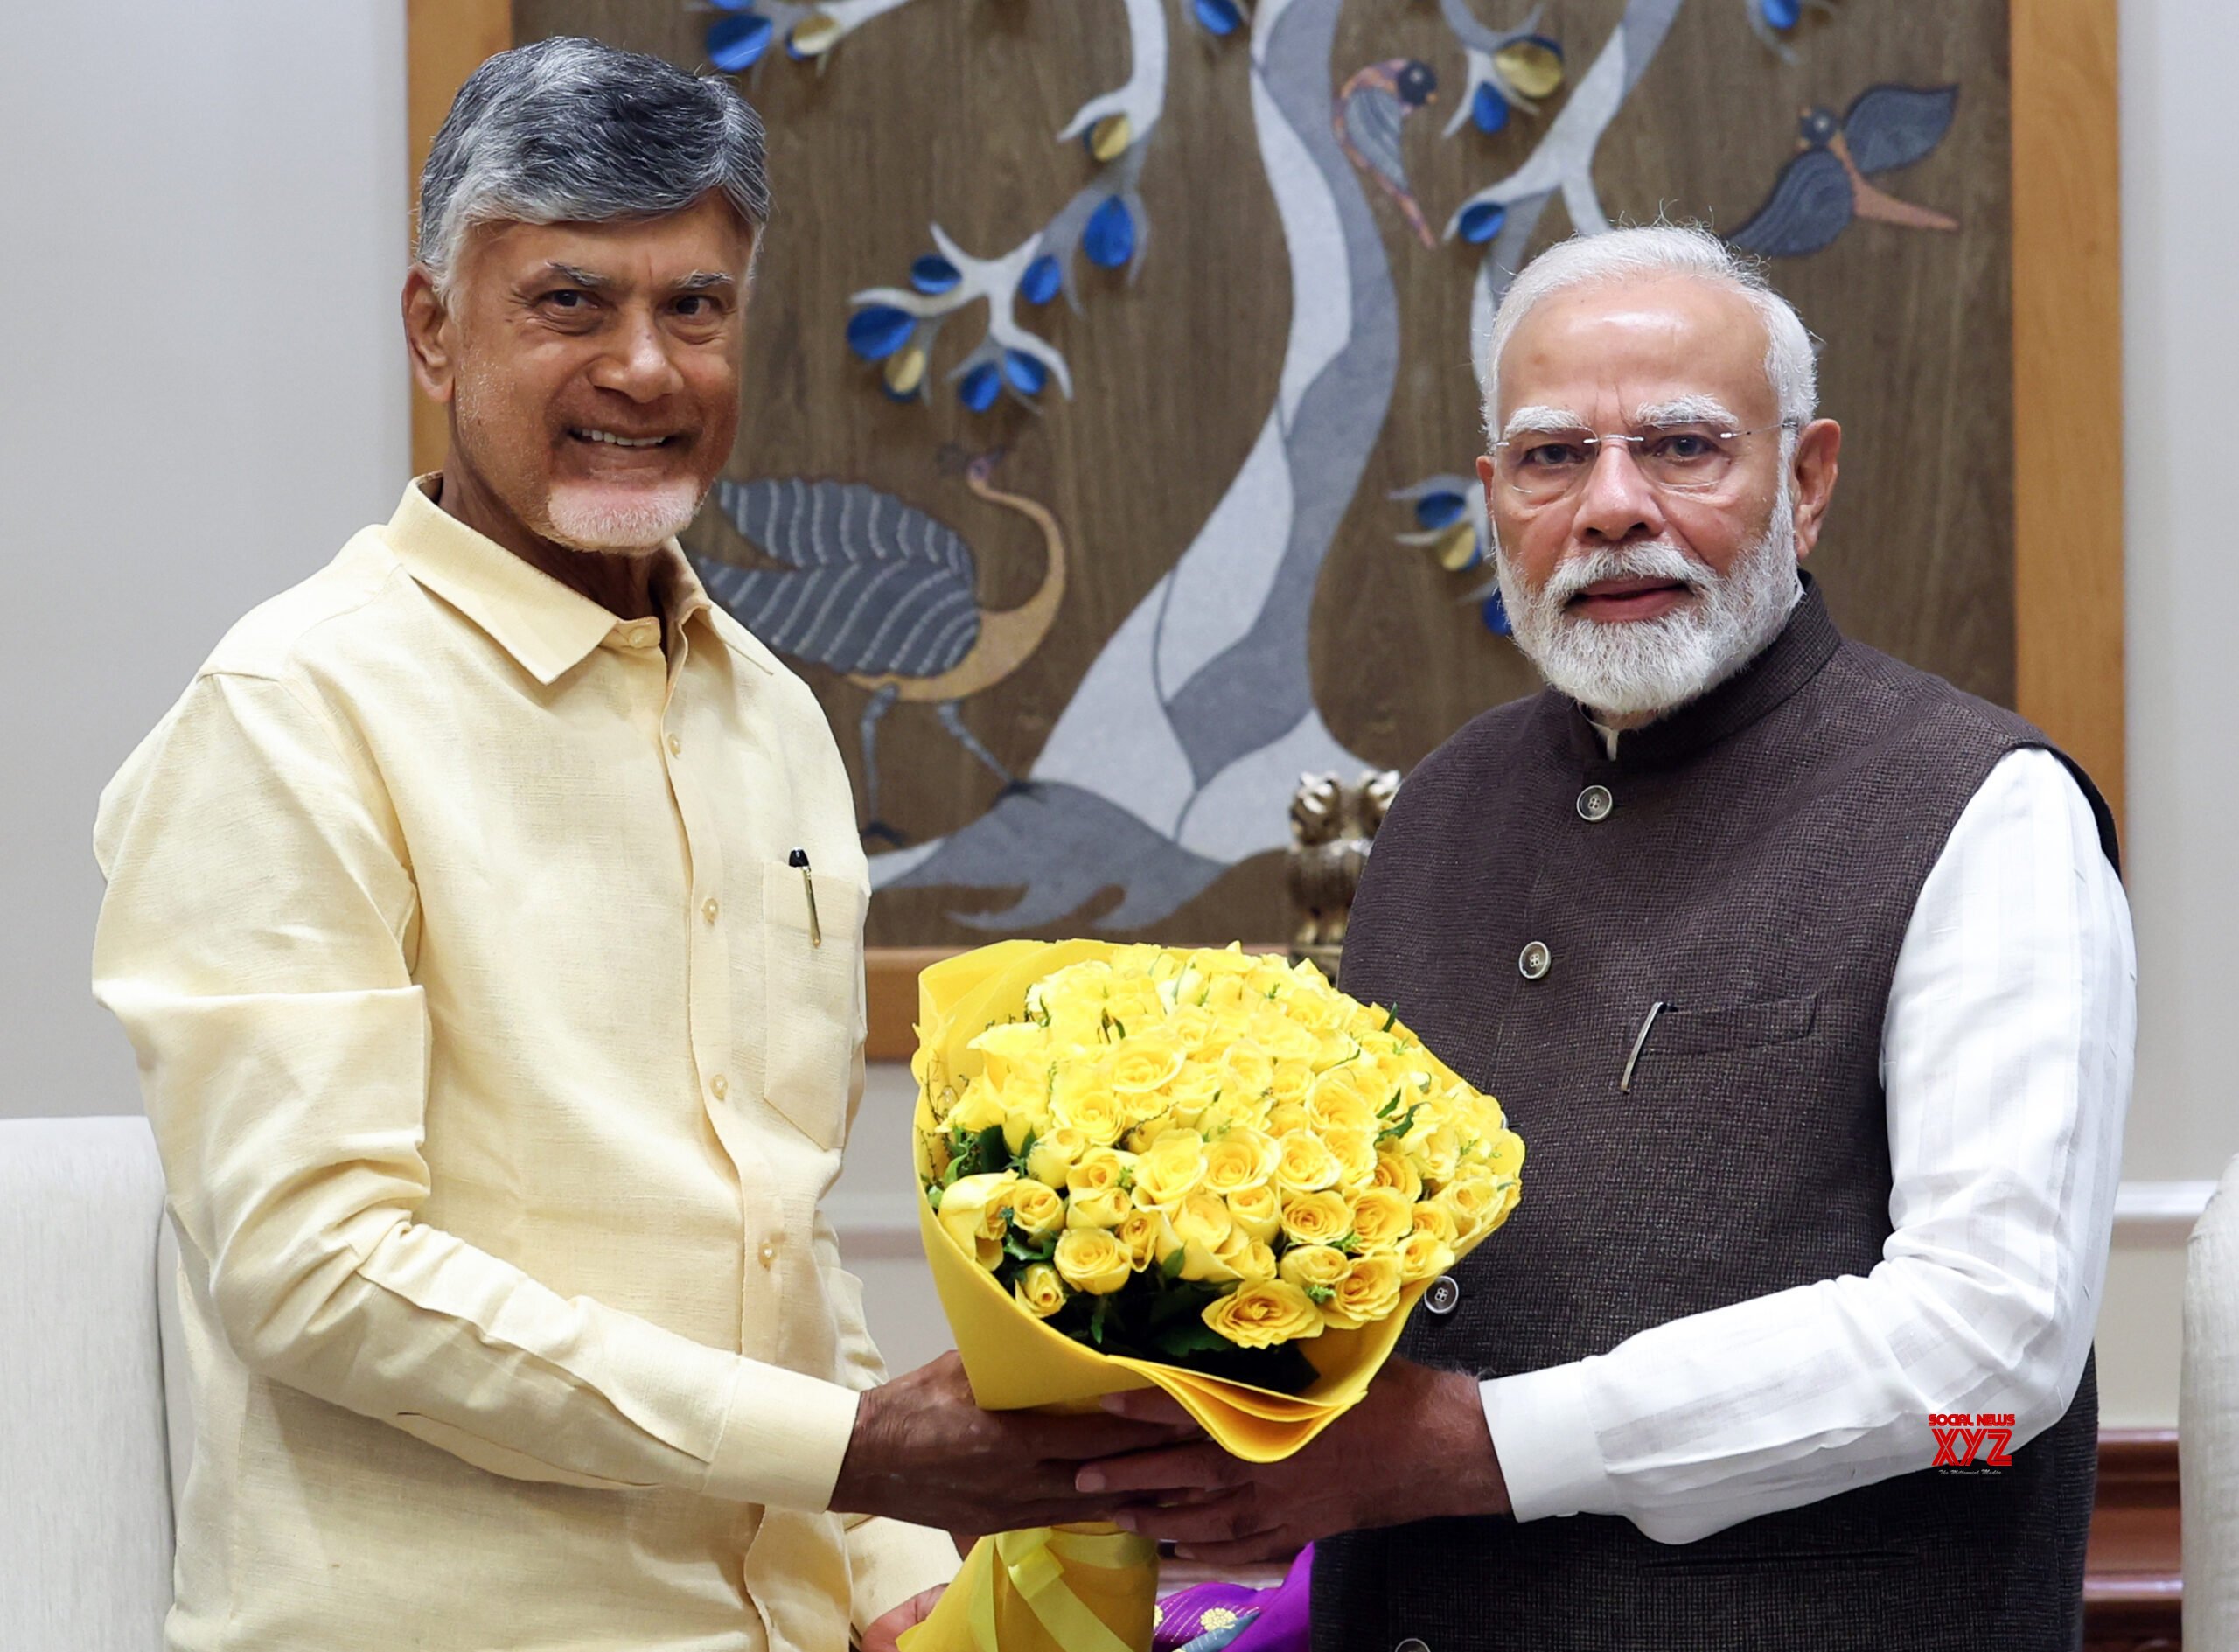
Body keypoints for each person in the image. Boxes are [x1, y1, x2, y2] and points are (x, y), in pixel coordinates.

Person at [91, 38, 1182, 1652]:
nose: (646, 368)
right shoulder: (291, 710)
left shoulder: (777, 716)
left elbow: (779, 1230)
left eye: (696, 306)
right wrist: (861, 1450)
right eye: (567, 302)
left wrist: (888, 1567)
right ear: (433, 329)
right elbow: (315, 1271)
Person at [1085, 225, 2135, 1649]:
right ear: (1493, 501)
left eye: (1685, 448)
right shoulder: (1440, 807)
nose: (1612, 507)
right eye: (1551, 456)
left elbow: (1990, 1364)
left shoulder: (1987, 812)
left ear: (1806, 482)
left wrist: (1486, 1446)